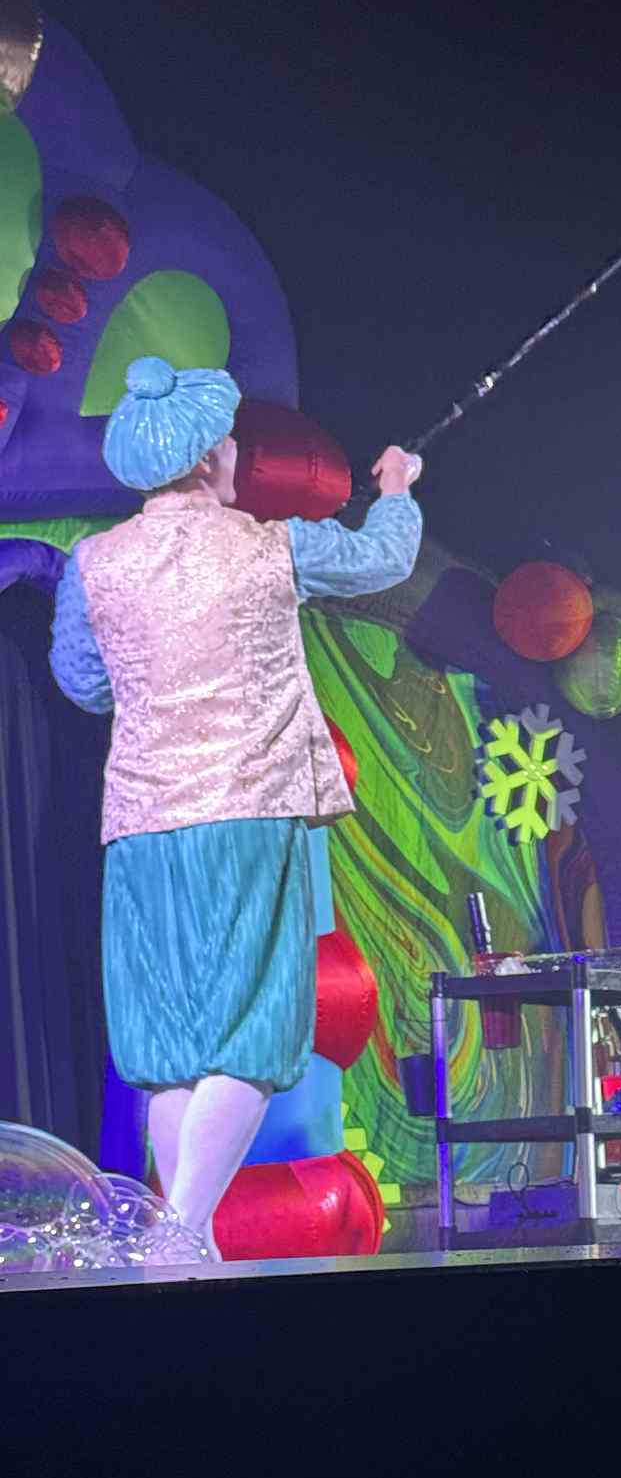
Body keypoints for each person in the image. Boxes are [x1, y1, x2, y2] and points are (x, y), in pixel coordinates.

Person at [50, 356, 423, 1259]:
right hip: (248, 813)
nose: (232, 454)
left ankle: (189, 1247)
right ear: (205, 458)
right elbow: (382, 558)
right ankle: (180, 1231)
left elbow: (81, 682)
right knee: (251, 1035)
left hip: (144, 827)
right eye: (226, 442)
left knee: (172, 1049)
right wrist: (397, 491)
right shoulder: (269, 545)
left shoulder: (93, 563)